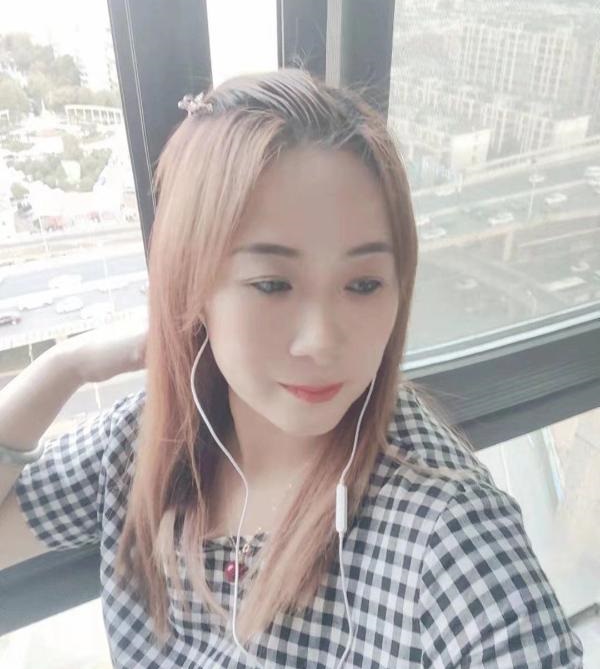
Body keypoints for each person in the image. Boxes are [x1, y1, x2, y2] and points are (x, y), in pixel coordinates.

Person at [0, 69, 584, 668]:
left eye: (364, 284)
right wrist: (65, 366)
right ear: (193, 286)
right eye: (272, 284)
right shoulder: (145, 444)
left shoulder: (446, 528)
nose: (321, 341)